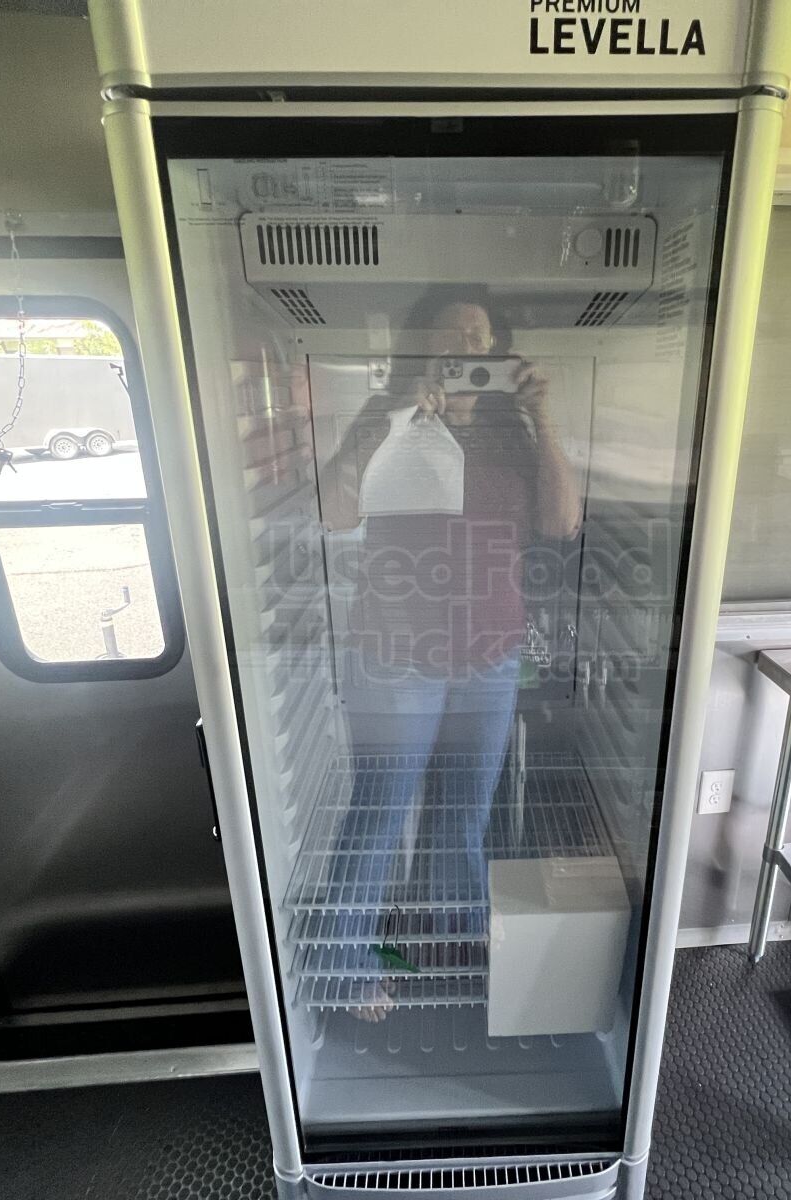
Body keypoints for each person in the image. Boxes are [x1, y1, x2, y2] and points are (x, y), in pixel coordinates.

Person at [321, 287, 582, 1021]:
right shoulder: (387, 418)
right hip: (397, 655)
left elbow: (562, 522)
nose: (468, 349)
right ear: (422, 349)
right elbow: (335, 512)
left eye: (480, 337)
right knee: (382, 808)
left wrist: (543, 417)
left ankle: (451, 937)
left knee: (464, 812)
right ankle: (345, 966)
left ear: (499, 352)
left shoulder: (514, 435)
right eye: (451, 336)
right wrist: (396, 416)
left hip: (489, 655)